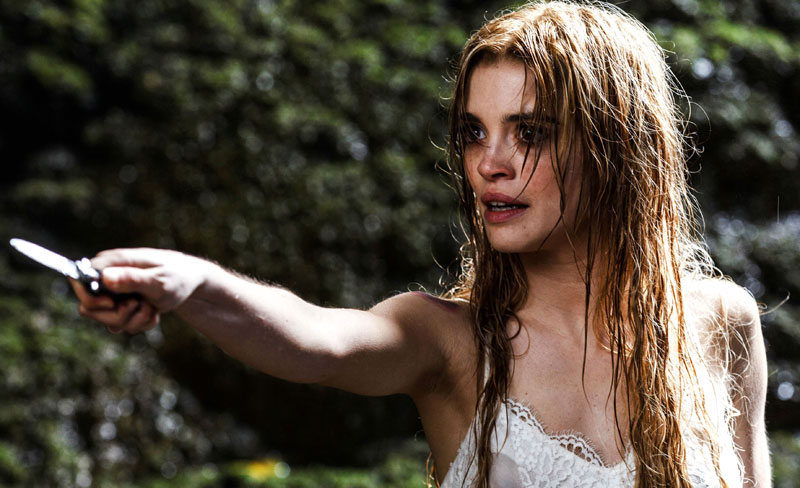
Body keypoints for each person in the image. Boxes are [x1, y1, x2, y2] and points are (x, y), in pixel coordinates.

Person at [71, 1, 771, 487]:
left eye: (529, 133)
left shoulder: (722, 323)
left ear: (613, 146)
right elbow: (317, 342)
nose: (489, 164)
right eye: (473, 132)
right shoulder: (451, 342)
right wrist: (195, 285)